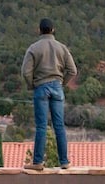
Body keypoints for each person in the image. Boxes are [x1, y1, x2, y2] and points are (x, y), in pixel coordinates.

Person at [21, 18, 77, 170]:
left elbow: (25, 72)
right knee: (59, 126)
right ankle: (64, 162)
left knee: (41, 126)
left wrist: (31, 85)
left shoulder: (33, 48)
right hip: (57, 87)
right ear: (53, 30)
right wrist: (62, 83)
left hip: (41, 87)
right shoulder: (62, 48)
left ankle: (38, 162)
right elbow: (73, 70)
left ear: (39, 30)